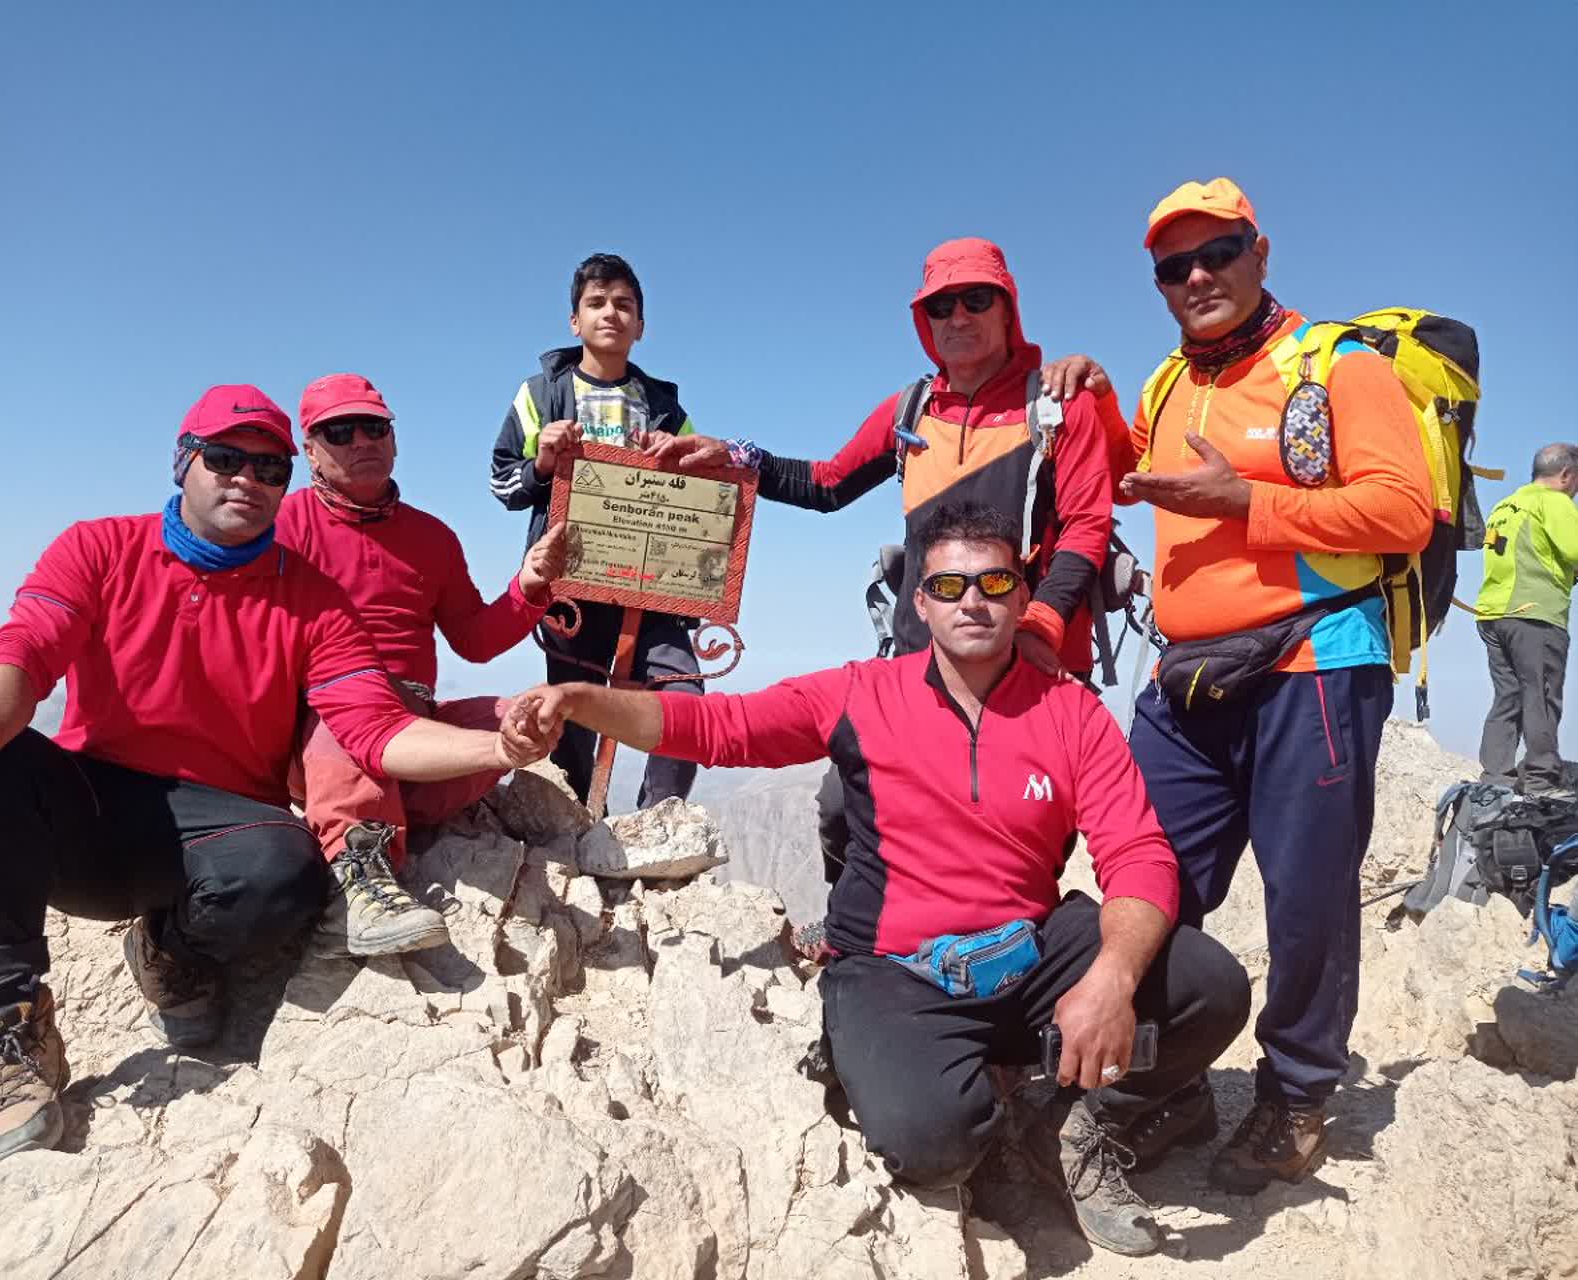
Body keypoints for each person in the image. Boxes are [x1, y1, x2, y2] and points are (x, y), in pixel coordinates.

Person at [506, 501, 1250, 1258]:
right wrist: (581, 703)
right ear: (920, 603)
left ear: (1022, 596)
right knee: (931, 1142)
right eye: (949, 585)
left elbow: (1139, 853)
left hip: (1028, 948)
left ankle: (1076, 1126)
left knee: (1209, 985)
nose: (973, 601)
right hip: (897, 968)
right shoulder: (862, 693)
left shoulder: (1072, 713)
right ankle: (987, 1112)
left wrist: (1111, 980)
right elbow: (719, 728)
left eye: (994, 582)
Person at [0, 385, 557, 1169]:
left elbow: (371, 730)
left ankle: (168, 950)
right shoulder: (99, 547)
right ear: (184, 463)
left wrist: (499, 750)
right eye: (226, 459)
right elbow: (25, 651)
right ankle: (13, 1030)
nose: (247, 479)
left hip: (223, 815)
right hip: (92, 796)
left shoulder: (316, 601)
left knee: (285, 871)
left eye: (268, 469)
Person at [1111, 178, 1433, 1192]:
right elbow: (1116, 471)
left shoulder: (1338, 366)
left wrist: (1244, 499)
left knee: (1307, 897)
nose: (1197, 276)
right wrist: (1079, 388)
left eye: (1219, 252)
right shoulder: (1165, 385)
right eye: (1174, 266)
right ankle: (1167, 1080)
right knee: (1146, 881)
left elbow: (1403, 511)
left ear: (1260, 252)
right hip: (1187, 680)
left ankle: (1295, 1096)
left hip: (1312, 663)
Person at [638, 237, 1123, 894]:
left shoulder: (1061, 406)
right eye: (941, 306)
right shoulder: (910, 411)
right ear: (923, 320)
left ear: (1008, 308)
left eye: (976, 299)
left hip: (1024, 664)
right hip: (920, 660)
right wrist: (736, 456)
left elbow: (1088, 526)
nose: (958, 317)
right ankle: (858, 937)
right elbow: (827, 483)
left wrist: (1039, 626)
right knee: (844, 811)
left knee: (1007, 845)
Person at [282, 373, 568, 956]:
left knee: (526, 716)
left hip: (411, 726)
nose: (361, 441)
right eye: (340, 431)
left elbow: (474, 640)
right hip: (321, 722)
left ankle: (378, 805)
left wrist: (529, 585)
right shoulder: (283, 528)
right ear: (309, 450)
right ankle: (359, 879)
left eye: (373, 427)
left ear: (393, 438)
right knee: (344, 727)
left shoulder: (432, 537)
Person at [489, 252, 704, 809]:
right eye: (597, 302)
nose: (611, 313)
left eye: (624, 304)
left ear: (641, 325)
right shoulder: (540, 395)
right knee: (571, 717)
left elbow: (700, 500)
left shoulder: (666, 407)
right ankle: (584, 826)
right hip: (571, 589)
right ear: (574, 320)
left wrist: (680, 462)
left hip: (650, 589)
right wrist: (542, 463)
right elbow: (502, 484)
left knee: (683, 697)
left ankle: (657, 822)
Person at [1473, 444, 1578, 793]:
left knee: (1509, 695)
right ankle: (1540, 779)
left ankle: (1496, 778)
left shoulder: (1506, 505)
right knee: (1541, 696)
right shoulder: (1554, 502)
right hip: (1534, 615)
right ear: (1566, 475)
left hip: (1493, 614)